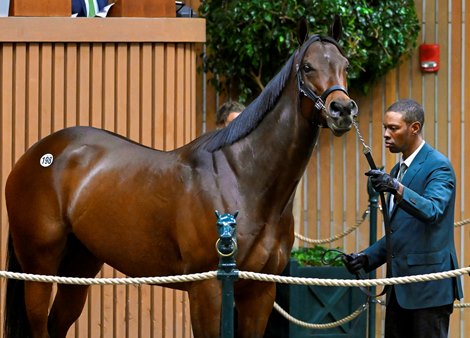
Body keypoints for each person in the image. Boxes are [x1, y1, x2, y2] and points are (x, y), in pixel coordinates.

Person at [344, 99, 463, 338]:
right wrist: (367, 258)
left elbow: (433, 211)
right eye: (384, 128)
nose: (386, 135)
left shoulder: (438, 166)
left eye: (393, 128)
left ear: (414, 128)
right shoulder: (398, 171)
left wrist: (395, 188)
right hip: (398, 290)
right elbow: (399, 232)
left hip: (428, 292)